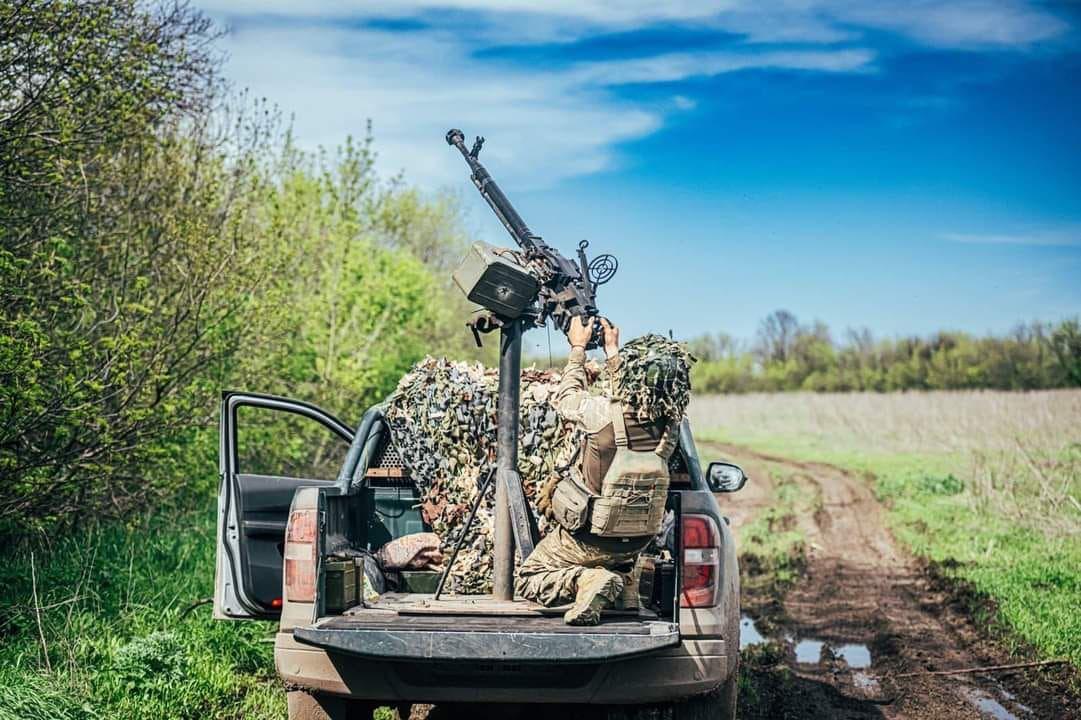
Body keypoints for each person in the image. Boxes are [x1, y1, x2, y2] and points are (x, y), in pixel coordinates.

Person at [516, 317, 695, 625]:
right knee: (623, 542)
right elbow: (633, 401)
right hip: (637, 541)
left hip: (589, 539)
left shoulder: (601, 414)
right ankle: (624, 586)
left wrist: (577, 347)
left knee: (529, 577)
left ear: (632, 374)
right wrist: (612, 353)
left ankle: (588, 581)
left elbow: (565, 397)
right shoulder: (672, 427)